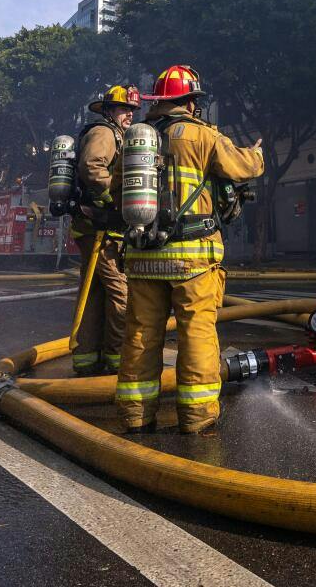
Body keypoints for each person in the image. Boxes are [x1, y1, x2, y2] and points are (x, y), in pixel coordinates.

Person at [115, 65, 263, 435]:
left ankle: (136, 415)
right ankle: (197, 418)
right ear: (190, 102)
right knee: (195, 332)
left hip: (143, 257)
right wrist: (257, 154)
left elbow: (118, 189)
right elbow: (242, 167)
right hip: (191, 257)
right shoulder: (201, 135)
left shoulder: (136, 141)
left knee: (140, 335)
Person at [69, 85, 138, 376]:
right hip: (100, 228)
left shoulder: (116, 134)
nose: (130, 116)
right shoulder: (104, 133)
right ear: (109, 110)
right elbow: (92, 166)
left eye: (132, 111)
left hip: (97, 227)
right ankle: (118, 357)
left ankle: (88, 358)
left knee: (95, 292)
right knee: (120, 291)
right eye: (124, 109)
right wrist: (116, 199)